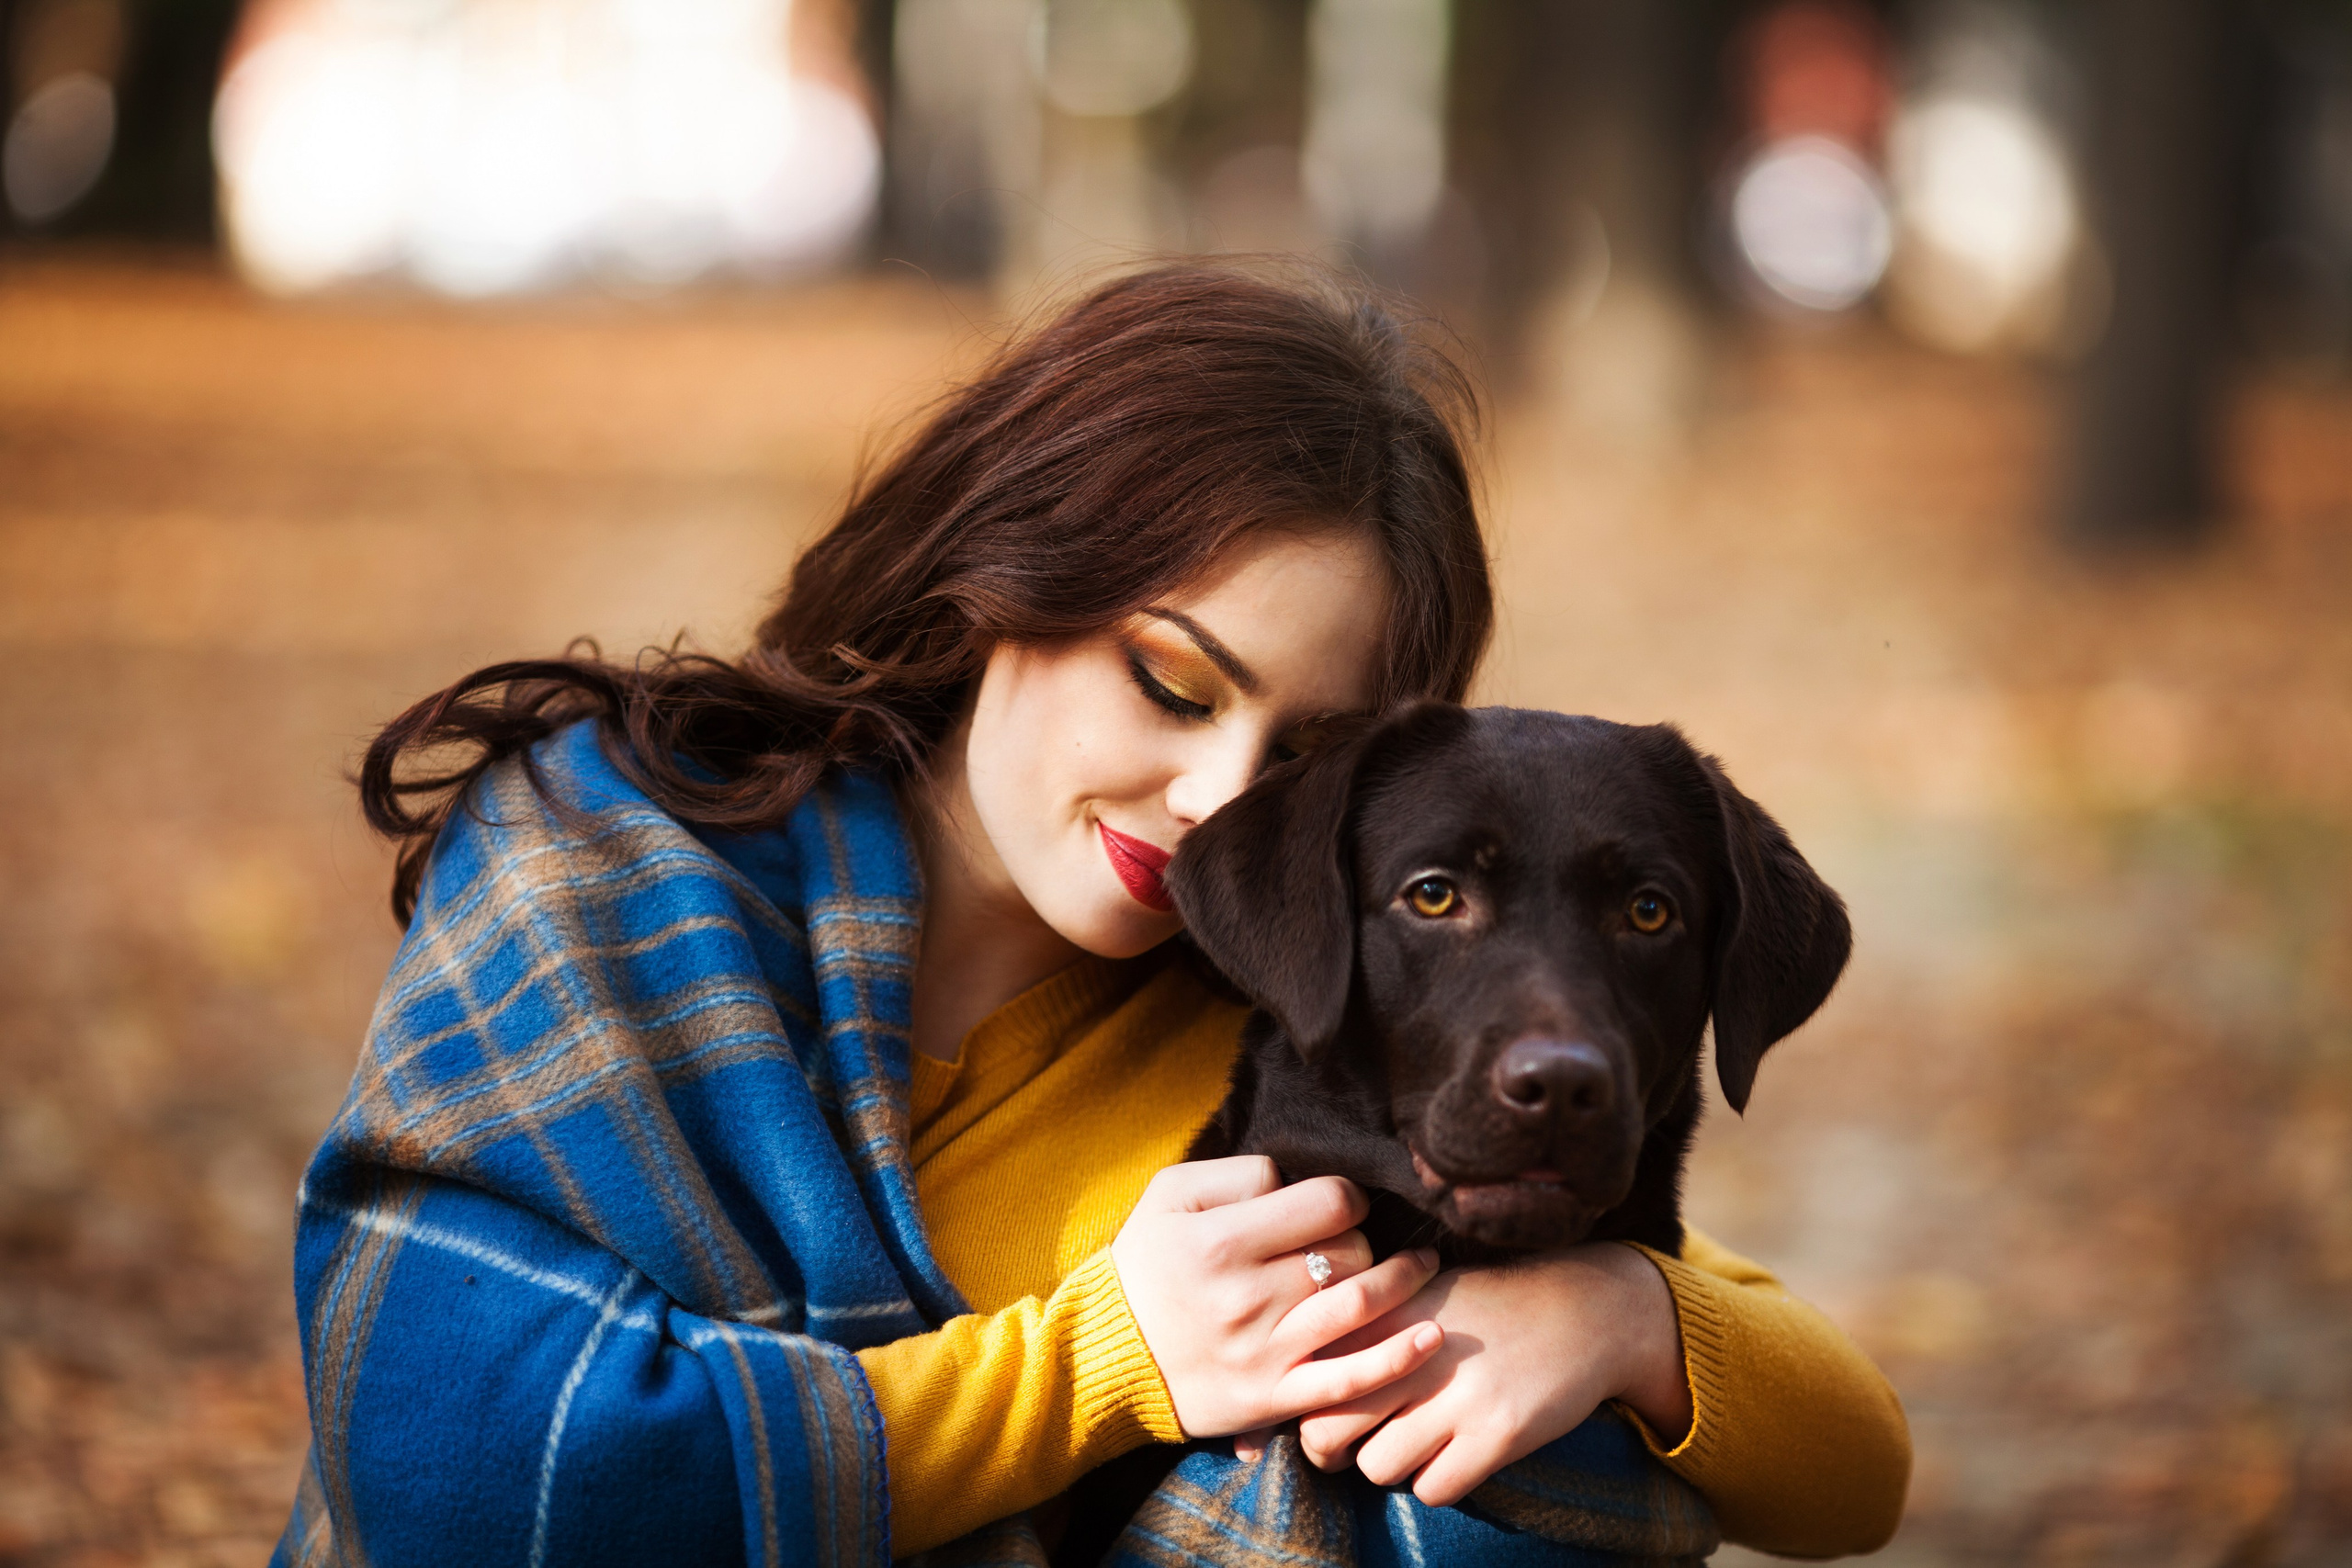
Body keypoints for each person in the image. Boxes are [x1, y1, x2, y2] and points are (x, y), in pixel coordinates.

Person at [275, 265, 1909, 1567]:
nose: (1217, 798)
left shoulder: (1280, 1020)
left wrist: (1631, 1317)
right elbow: (458, 1488)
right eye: (1171, 682)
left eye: (1300, 760)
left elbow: (1850, 1462)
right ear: (1002, 574)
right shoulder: (614, 866)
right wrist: (1098, 1361)